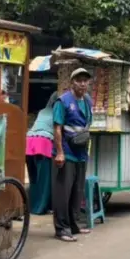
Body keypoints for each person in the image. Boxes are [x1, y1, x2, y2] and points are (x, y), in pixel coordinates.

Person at [53, 68, 93, 242]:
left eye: (85, 81)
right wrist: (60, 152)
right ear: (72, 83)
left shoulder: (88, 101)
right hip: (67, 153)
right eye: (79, 80)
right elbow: (57, 128)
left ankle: (73, 225)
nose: (82, 84)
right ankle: (62, 229)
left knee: (77, 191)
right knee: (63, 192)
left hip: (81, 152)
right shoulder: (62, 102)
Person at [25, 91, 57, 215]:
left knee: (34, 178)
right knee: (44, 178)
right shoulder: (58, 111)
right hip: (43, 144)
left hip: (29, 143)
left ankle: (32, 205)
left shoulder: (43, 111)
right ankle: (40, 207)